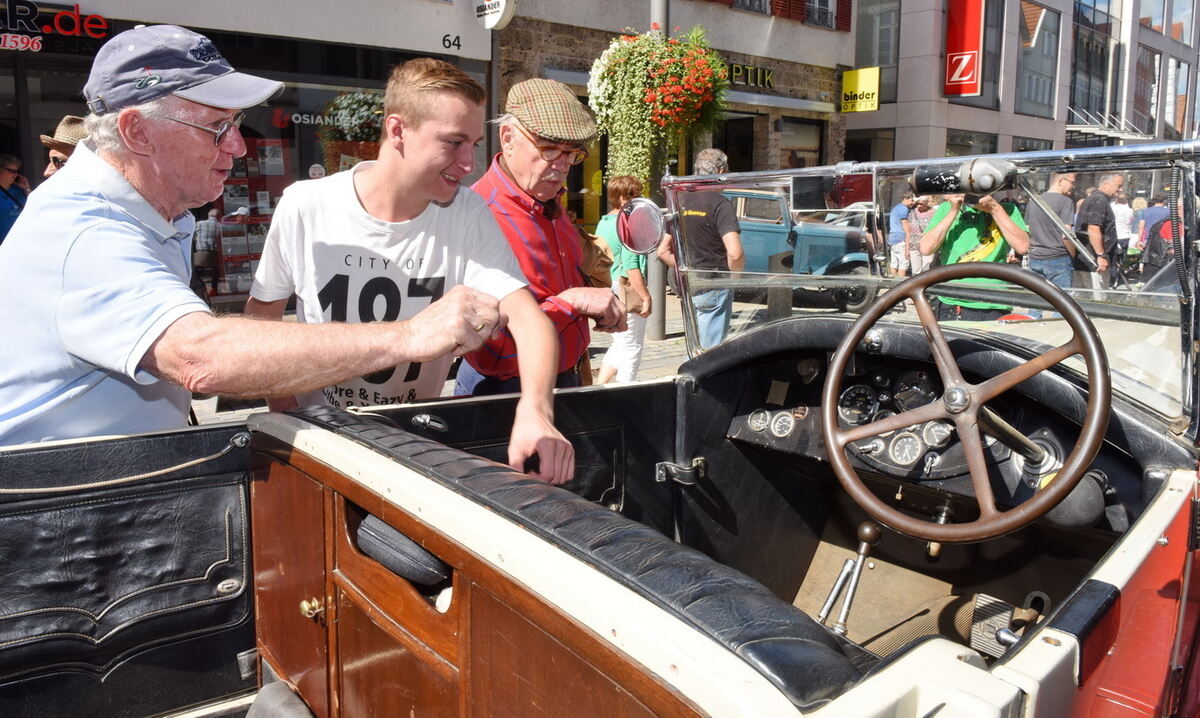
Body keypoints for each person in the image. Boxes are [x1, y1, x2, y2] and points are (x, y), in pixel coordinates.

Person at [0, 26, 555, 480]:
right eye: (217, 128)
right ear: (136, 131)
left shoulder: (154, 217)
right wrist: (410, 335)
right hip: (59, 525)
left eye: (234, 125)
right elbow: (200, 356)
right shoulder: (85, 231)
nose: (239, 146)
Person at [247, 58, 573, 484]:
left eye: (474, 144)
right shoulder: (306, 204)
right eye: (454, 143)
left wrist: (535, 411)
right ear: (398, 130)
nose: (469, 163)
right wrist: (284, 410)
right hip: (319, 440)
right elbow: (263, 317)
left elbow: (529, 320)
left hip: (414, 441)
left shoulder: (467, 211)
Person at [456, 78, 625, 397]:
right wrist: (573, 303)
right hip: (505, 394)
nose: (562, 167)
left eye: (572, 154)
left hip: (568, 378)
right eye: (549, 150)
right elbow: (494, 353)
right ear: (508, 138)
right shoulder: (480, 216)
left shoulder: (550, 201)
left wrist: (597, 301)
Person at [657, 148, 743, 349]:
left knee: (693, 344)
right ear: (720, 172)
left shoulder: (679, 200)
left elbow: (662, 250)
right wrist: (736, 278)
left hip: (686, 284)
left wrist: (684, 267)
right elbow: (735, 253)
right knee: (709, 354)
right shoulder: (721, 205)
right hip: (713, 283)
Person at [918, 193, 1030, 320]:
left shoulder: (1007, 209)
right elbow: (926, 248)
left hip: (995, 301)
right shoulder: (946, 208)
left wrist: (994, 208)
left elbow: (1022, 247)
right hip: (954, 301)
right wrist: (953, 210)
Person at [597, 175, 652, 384]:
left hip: (609, 287)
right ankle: (626, 394)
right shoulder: (627, 223)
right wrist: (646, 297)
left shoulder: (604, 222)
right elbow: (631, 266)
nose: (638, 199)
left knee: (619, 343)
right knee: (632, 347)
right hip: (626, 290)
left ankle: (599, 388)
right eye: (634, 195)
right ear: (622, 198)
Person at [1024, 172, 1077, 289]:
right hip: (1058, 258)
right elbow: (1066, 234)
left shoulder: (1033, 201)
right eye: (1072, 182)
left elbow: (1027, 230)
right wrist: (1073, 254)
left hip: (1035, 258)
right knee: (1061, 302)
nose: (1073, 186)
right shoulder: (1066, 202)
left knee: (1037, 301)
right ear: (1060, 181)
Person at [1073, 172, 1123, 289]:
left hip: (1088, 259)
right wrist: (1101, 256)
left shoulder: (1094, 199)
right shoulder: (1099, 201)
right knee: (1096, 299)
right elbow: (1093, 229)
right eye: (1118, 186)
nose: (1120, 190)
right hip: (1094, 261)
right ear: (1105, 184)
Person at [191, 207, 221, 297]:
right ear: (218, 216)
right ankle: (214, 289)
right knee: (216, 272)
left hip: (200, 255)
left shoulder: (199, 224)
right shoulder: (220, 225)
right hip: (214, 255)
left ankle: (200, 290)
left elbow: (192, 237)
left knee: (195, 272)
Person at [0, 153, 28, 245]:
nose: (16, 175)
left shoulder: (19, 190)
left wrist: (27, 189)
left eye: (17, 171)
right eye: (12, 171)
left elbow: (34, 209)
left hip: (23, 241)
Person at [907, 195, 937, 274]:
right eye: (917, 204)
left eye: (921, 204)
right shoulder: (913, 212)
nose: (918, 206)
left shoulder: (933, 212)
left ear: (927, 202)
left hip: (927, 244)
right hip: (914, 244)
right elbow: (909, 230)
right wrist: (907, 246)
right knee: (915, 271)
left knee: (926, 271)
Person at [886, 193, 913, 277]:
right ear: (906, 198)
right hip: (901, 239)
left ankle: (892, 284)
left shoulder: (895, 208)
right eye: (912, 200)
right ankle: (901, 286)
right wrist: (907, 247)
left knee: (894, 264)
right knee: (903, 265)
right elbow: (906, 229)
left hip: (892, 239)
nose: (913, 202)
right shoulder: (904, 209)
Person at [1111, 191, 1135, 275]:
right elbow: (1130, 222)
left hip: (1114, 235)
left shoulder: (1112, 208)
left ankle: (1113, 276)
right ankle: (1122, 274)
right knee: (1124, 257)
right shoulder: (1130, 210)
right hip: (1125, 236)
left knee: (1113, 258)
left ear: (1117, 200)